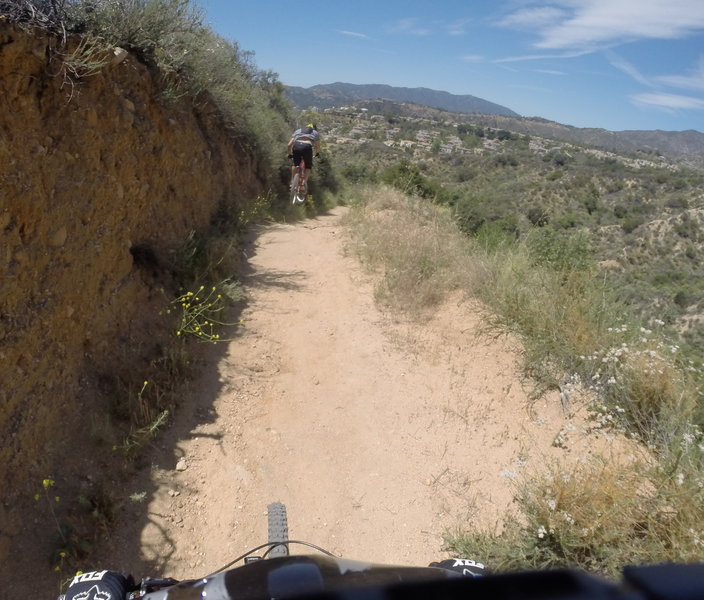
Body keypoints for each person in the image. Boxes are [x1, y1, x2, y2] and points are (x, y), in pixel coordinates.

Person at [287, 123, 321, 188]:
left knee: (295, 164)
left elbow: (289, 145)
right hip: (307, 147)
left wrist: (289, 154)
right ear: (313, 128)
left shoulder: (298, 130)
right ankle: (303, 183)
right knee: (308, 167)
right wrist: (317, 153)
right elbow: (318, 146)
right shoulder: (315, 132)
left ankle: (292, 181)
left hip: (296, 146)